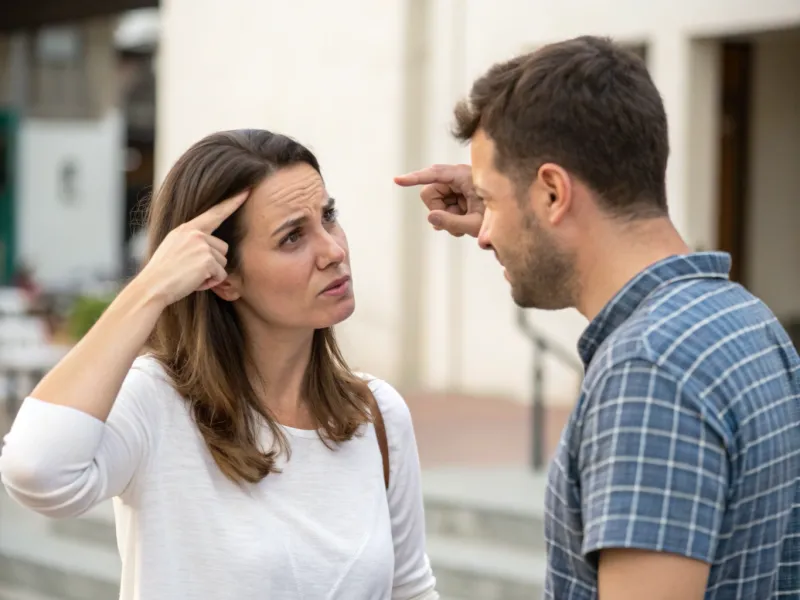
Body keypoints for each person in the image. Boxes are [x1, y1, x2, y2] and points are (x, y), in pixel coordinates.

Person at [395, 36, 799, 600]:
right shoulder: (744, 319)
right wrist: (511, 201)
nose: (483, 234)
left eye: (492, 202)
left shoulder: (650, 372)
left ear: (554, 192)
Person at [0, 129, 438, 600]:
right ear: (222, 278)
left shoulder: (375, 413)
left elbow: (409, 589)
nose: (333, 251)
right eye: (293, 236)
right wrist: (152, 288)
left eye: (328, 217)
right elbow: (36, 472)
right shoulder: (158, 403)